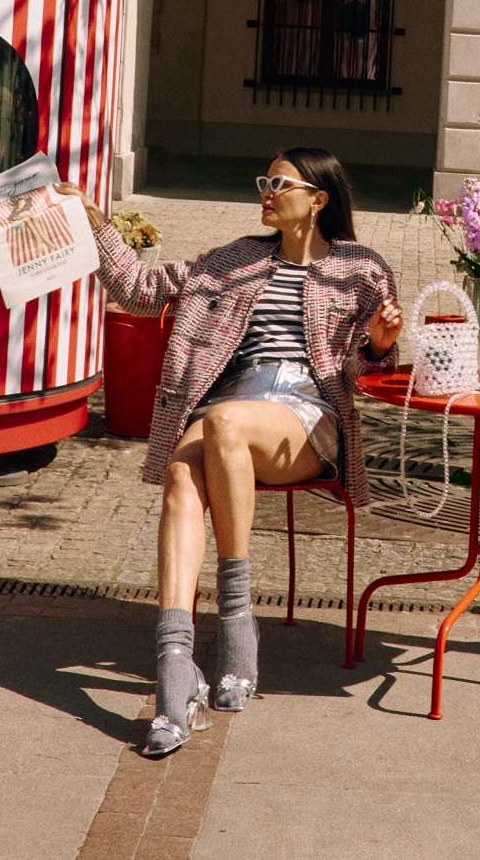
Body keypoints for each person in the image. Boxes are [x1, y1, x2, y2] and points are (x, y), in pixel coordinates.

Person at [60, 149, 403, 754]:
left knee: (223, 423)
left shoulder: (362, 270)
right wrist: (94, 222)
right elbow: (141, 291)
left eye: (280, 183)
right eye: (264, 181)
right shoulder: (233, 260)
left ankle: (236, 617)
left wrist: (377, 345)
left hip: (309, 416)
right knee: (180, 476)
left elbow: (368, 374)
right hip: (234, 406)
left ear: (317, 199)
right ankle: (175, 666)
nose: (265, 191)